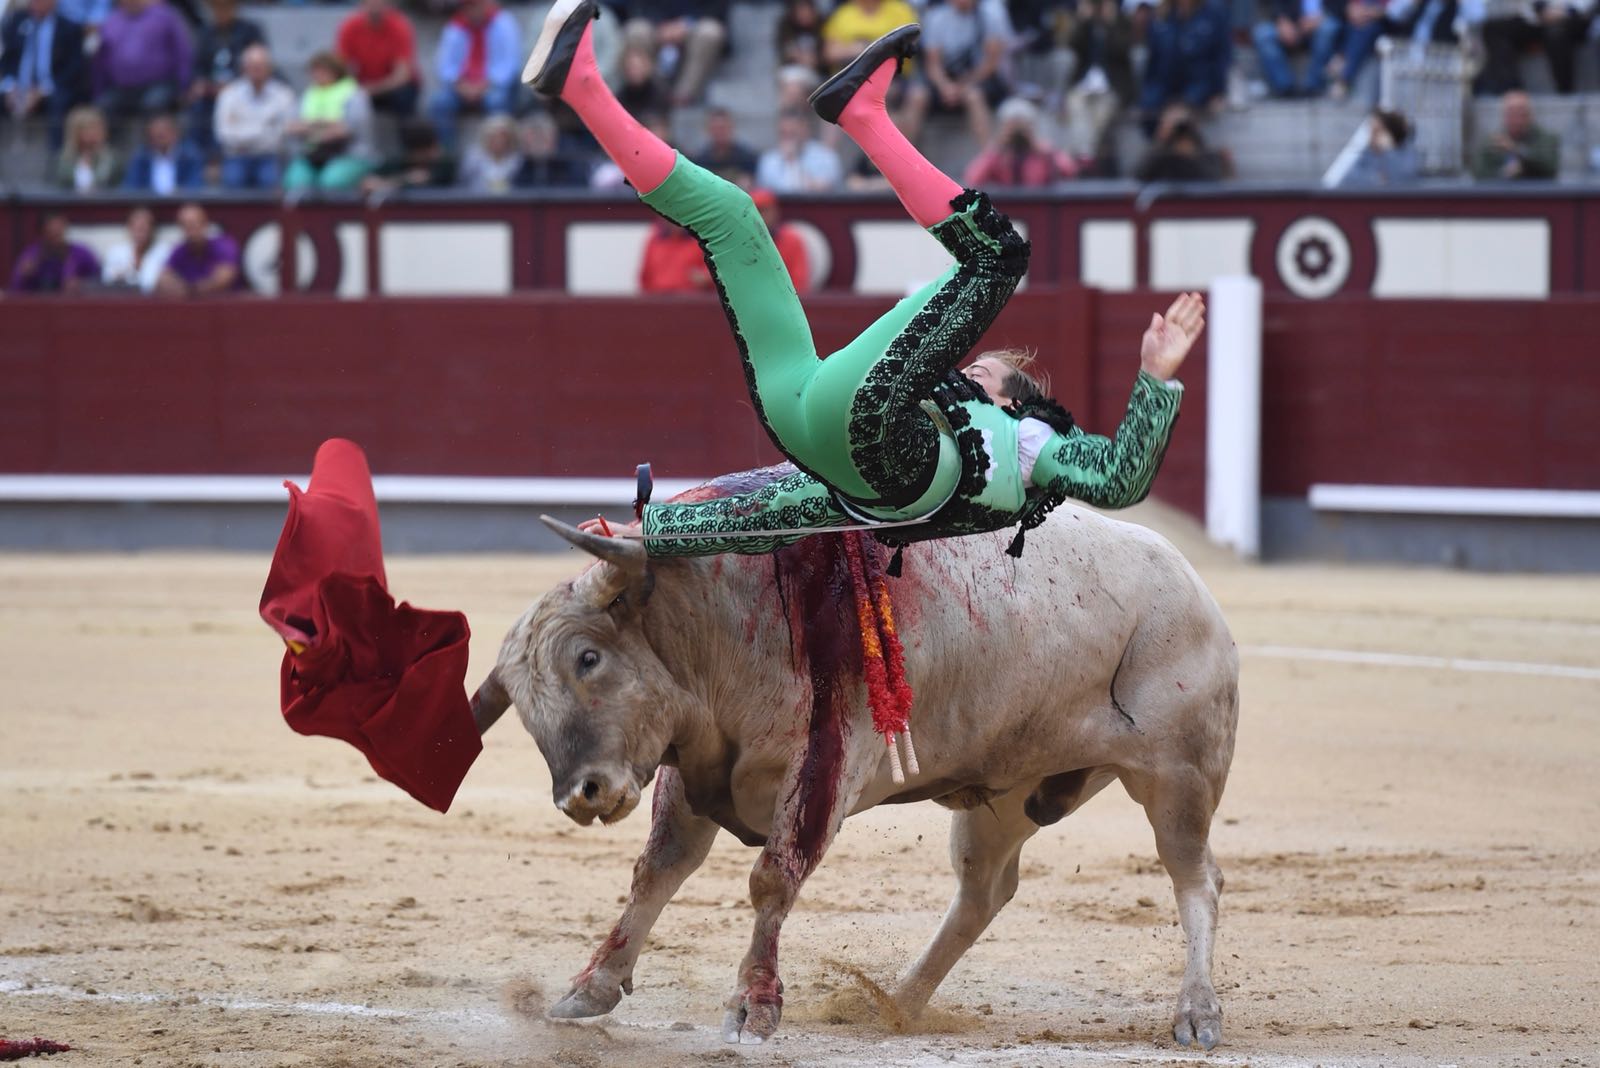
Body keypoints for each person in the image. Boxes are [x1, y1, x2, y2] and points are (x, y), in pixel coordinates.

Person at [522, 7, 1199, 559]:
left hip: (855, 422)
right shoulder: (889, 486)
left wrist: (1156, 379)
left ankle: (864, 115)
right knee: (733, 217)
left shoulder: (1028, 446)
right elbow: (781, 513)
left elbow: (1119, 479)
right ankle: (580, 82)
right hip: (803, 416)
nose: (965, 371)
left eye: (984, 375)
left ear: (1016, 408)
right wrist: (653, 535)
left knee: (997, 260)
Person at [900, 0, 1014, 145]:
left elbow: (991, 62)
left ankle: (989, 158)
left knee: (974, 97)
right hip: (944, 81)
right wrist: (945, 86)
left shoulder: (989, 17)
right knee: (917, 96)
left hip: (977, 80)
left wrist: (963, 85)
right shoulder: (936, 17)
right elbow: (933, 63)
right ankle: (902, 157)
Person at [428, 0, 522, 148]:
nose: (471, 10)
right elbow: (445, 66)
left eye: (475, 5)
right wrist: (461, 85)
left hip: (492, 85)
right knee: (440, 103)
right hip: (462, 87)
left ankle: (500, 151)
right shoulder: (454, 27)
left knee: (496, 101)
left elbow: (509, 65)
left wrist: (483, 86)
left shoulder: (503, 23)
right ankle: (448, 153)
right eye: (468, 6)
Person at [283, 52, 375, 193]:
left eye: (323, 71)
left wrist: (312, 128)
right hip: (313, 155)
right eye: (314, 72)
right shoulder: (308, 95)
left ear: (335, 71)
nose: (317, 75)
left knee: (332, 182)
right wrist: (325, 126)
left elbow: (348, 129)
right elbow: (291, 127)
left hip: (348, 154)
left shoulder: (355, 94)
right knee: (296, 181)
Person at [1, 0, 88, 148]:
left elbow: (74, 69)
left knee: (59, 104)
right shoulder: (17, 22)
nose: (36, 3)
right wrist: (10, 87)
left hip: (52, 87)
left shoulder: (68, 28)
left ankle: (55, 159)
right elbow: (8, 59)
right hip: (17, 88)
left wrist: (41, 91)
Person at [214, 42, 295, 190]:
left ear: (270, 68)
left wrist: (243, 133)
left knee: (270, 179)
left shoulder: (283, 95)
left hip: (269, 157)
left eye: (260, 65)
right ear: (243, 67)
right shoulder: (228, 95)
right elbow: (224, 134)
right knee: (233, 179)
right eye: (252, 65)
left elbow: (283, 134)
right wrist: (263, 131)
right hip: (236, 156)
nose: (256, 69)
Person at [185, 0, 263, 153]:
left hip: (242, 86)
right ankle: (201, 156)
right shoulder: (205, 32)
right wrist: (201, 82)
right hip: (211, 88)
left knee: (233, 101)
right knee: (197, 105)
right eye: (218, 8)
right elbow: (198, 64)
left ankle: (228, 154)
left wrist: (236, 83)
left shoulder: (249, 31)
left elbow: (258, 61)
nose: (222, 12)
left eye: (226, 8)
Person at [1064, 0, 1136, 162]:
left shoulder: (1122, 21)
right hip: (1084, 84)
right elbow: (1072, 45)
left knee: (1102, 111)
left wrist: (1111, 22)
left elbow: (1121, 50)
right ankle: (1087, 157)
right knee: (1075, 104)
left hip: (1112, 86)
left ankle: (1087, 159)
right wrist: (1083, 20)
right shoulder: (1086, 23)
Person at [94, 0, 192, 119]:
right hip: (120, 87)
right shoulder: (111, 21)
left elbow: (182, 51)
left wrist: (184, 85)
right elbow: (101, 60)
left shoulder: (164, 16)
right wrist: (98, 91)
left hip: (157, 84)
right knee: (103, 106)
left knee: (154, 103)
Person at [1138, 0, 1231, 125]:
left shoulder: (1214, 12)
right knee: (1150, 107)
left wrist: (1219, 92)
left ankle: (1168, 136)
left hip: (1201, 82)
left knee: (1181, 114)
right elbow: (1153, 62)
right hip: (1166, 82)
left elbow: (1222, 55)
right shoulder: (1162, 16)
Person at [619, 0, 729, 106]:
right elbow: (641, 5)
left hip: (695, 25)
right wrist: (660, 24)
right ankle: (653, 93)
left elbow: (717, 8)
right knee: (636, 30)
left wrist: (686, 24)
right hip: (657, 24)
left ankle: (684, 96)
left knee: (709, 32)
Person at [1479, 0, 1593, 95]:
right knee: (1492, 28)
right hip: (1539, 18)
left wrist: (1566, 12)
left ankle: (1565, 92)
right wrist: (1541, 10)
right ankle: (1512, 92)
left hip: (1573, 19)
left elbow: (1587, 6)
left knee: (1556, 33)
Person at [962, 96, 1079, 186]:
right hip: (1006, 210)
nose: (1018, 133)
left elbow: (1070, 171)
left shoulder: (1043, 153)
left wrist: (1040, 147)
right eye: (1012, 126)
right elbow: (972, 178)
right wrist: (997, 147)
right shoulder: (998, 156)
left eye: (1023, 126)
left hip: (1039, 208)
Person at [336, 0, 421, 117]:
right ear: (362, 5)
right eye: (370, 5)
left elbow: (402, 74)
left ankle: (401, 132)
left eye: (380, 5)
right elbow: (341, 65)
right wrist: (353, 86)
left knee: (403, 97)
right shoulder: (349, 27)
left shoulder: (400, 27)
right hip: (363, 83)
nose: (375, 10)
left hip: (394, 86)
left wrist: (372, 89)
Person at [1251, 0, 1342, 98]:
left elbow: (1339, 6)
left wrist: (1320, 19)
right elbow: (1273, 4)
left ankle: (1313, 85)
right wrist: (1282, 21)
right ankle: (1285, 86)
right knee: (1262, 34)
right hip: (1289, 23)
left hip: (1321, 24)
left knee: (1328, 28)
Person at [1472, 89, 1560, 180]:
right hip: (1501, 192)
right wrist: (1504, 174)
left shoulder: (1547, 139)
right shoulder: (1491, 143)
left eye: (1521, 114)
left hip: (1536, 192)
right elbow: (1479, 175)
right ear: (1504, 116)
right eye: (1512, 114)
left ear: (1530, 115)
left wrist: (1516, 150)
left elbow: (1550, 168)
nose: (1517, 120)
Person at [157, 201, 241, 295]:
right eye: (185, 225)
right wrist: (180, 287)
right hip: (190, 307)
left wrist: (192, 290)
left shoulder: (224, 245)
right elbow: (162, 279)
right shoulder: (179, 251)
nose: (191, 230)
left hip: (225, 306)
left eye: (194, 224)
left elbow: (226, 277)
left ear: (205, 223)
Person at [1134, 102, 1229, 180]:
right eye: (1172, 123)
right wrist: (1161, 141)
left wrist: (1192, 156)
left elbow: (1214, 182)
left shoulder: (1208, 154)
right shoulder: (1159, 155)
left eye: (1182, 124)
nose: (1179, 129)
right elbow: (1139, 176)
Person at [755, 108, 843, 191]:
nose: (788, 139)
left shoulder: (826, 157)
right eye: (784, 133)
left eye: (792, 133)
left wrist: (793, 161)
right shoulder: (768, 160)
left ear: (805, 129)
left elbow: (827, 189)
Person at [9, 212, 100, 293]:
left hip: (75, 305)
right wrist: (24, 276)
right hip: (40, 305)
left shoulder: (82, 254)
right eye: (51, 233)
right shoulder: (30, 255)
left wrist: (81, 285)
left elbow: (100, 282)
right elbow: (15, 289)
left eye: (59, 232)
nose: (56, 238)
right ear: (42, 232)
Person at [820, 0, 917, 73]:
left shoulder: (900, 10)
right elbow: (830, 53)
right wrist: (859, 48)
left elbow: (907, 46)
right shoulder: (843, 14)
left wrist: (863, 47)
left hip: (893, 76)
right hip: (850, 79)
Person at [365, 117, 457, 192]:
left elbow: (421, 178)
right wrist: (403, 179)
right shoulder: (400, 160)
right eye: (424, 151)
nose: (434, 152)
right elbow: (368, 183)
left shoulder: (447, 162)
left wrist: (400, 181)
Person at [122, 112, 205, 194]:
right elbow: (130, 187)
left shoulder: (189, 156)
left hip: (181, 203)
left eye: (162, 136)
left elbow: (195, 186)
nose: (158, 140)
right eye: (153, 137)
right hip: (148, 204)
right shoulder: (141, 158)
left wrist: (180, 194)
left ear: (175, 134)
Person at [101, 205, 176, 291]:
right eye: (137, 227)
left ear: (152, 229)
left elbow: (153, 283)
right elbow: (107, 278)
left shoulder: (164, 252)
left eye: (145, 226)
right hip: (122, 300)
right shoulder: (116, 251)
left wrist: (127, 273)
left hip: (154, 302)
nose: (140, 231)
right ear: (129, 228)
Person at [1337, 107, 1418, 186]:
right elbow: (1346, 178)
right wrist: (1375, 179)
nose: (1372, 135)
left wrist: (1387, 151)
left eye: (1377, 130)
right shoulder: (1362, 154)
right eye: (1371, 129)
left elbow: (1404, 177)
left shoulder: (1401, 154)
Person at [753, 187, 812, 292]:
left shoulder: (792, 240)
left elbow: (800, 283)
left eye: (763, 211)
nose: (759, 216)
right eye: (755, 211)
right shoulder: (742, 243)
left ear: (775, 211)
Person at [53, 104, 119, 190]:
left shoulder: (113, 158)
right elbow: (58, 186)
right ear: (76, 132)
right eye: (89, 129)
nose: (94, 133)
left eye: (98, 128)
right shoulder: (63, 158)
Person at [458, 113, 525, 192]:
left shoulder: (519, 159)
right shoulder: (473, 156)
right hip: (476, 200)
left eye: (502, 136)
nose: (498, 140)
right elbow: (462, 182)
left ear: (510, 138)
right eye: (494, 136)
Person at [692, 105, 759, 185]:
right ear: (708, 130)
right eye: (715, 129)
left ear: (732, 128)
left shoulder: (747, 158)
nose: (719, 133)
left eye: (723, 128)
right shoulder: (700, 160)